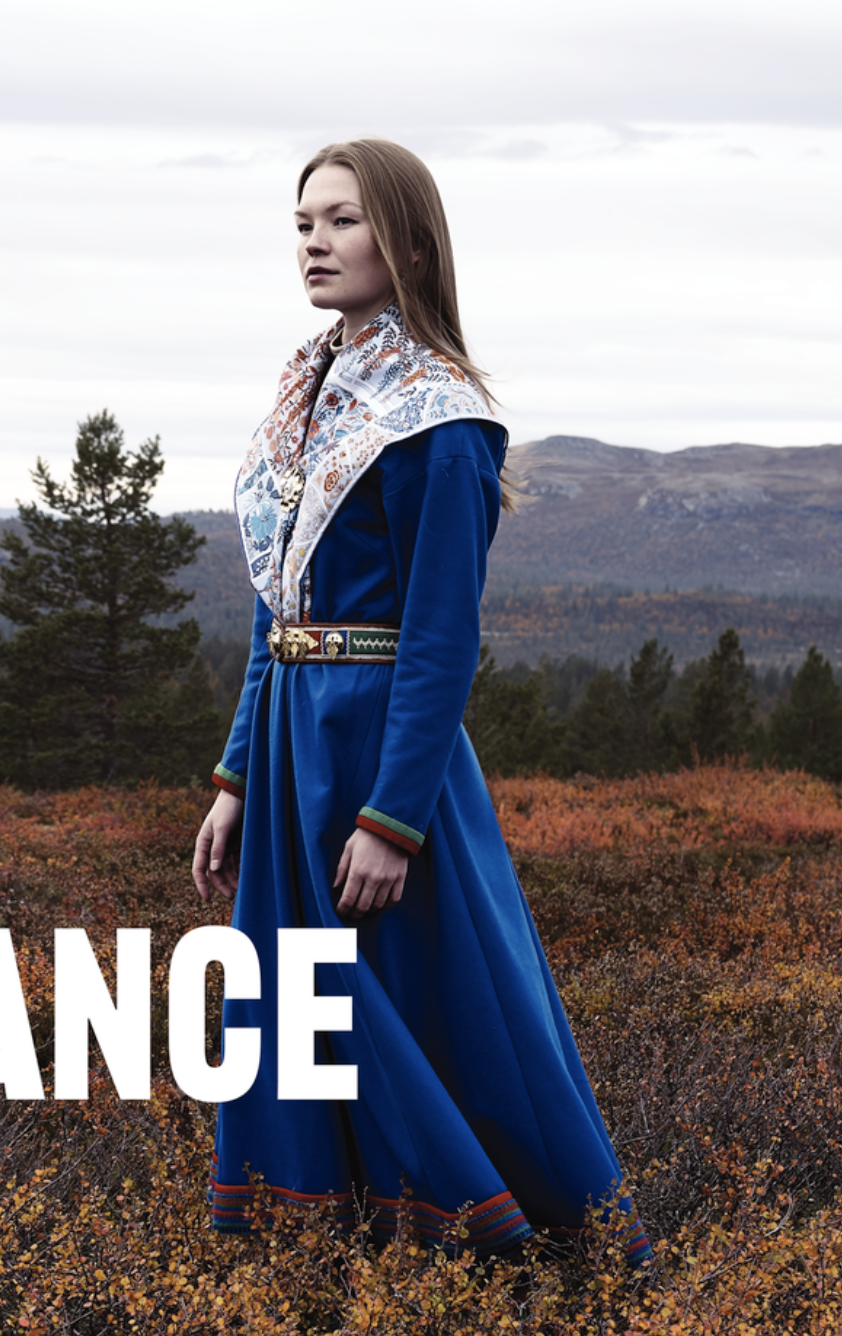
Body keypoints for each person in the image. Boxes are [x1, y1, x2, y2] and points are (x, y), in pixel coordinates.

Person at [190, 138, 649, 1266]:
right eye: (303, 222)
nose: (315, 241)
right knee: (297, 995)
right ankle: (320, 1240)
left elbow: (444, 637)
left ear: (405, 238)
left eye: (343, 221)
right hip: (296, 742)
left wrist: (394, 817)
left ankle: (492, 1239)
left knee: (412, 1003)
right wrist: (236, 775)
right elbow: (275, 604)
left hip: (381, 751)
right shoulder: (307, 401)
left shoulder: (440, 421)